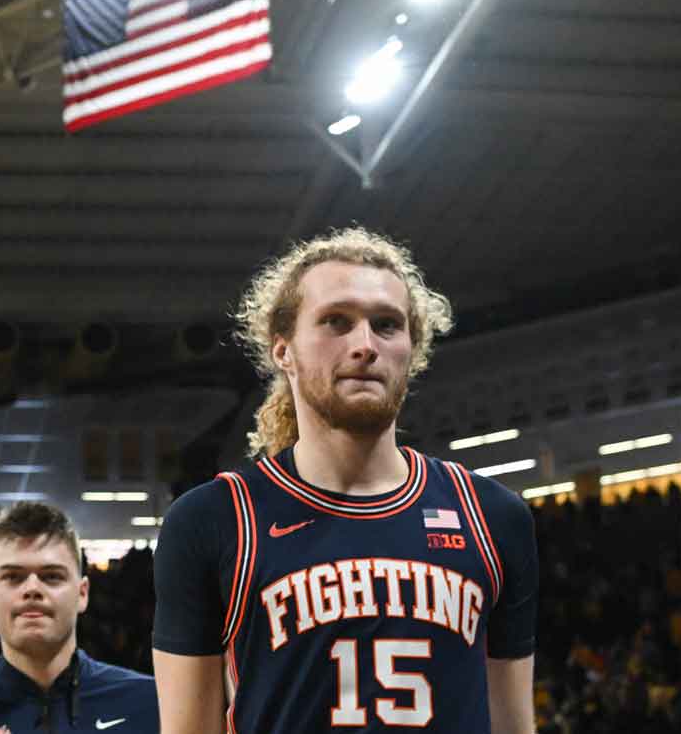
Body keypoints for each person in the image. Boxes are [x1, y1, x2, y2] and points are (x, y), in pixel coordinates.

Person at [151, 227, 539, 734]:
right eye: (336, 321)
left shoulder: (493, 516)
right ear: (283, 350)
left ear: (412, 350)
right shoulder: (213, 520)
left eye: (386, 325)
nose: (364, 345)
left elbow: (513, 725)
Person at [0, 503, 160, 733]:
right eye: (13, 576)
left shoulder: (148, 703)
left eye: (52, 576)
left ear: (82, 593)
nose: (32, 588)